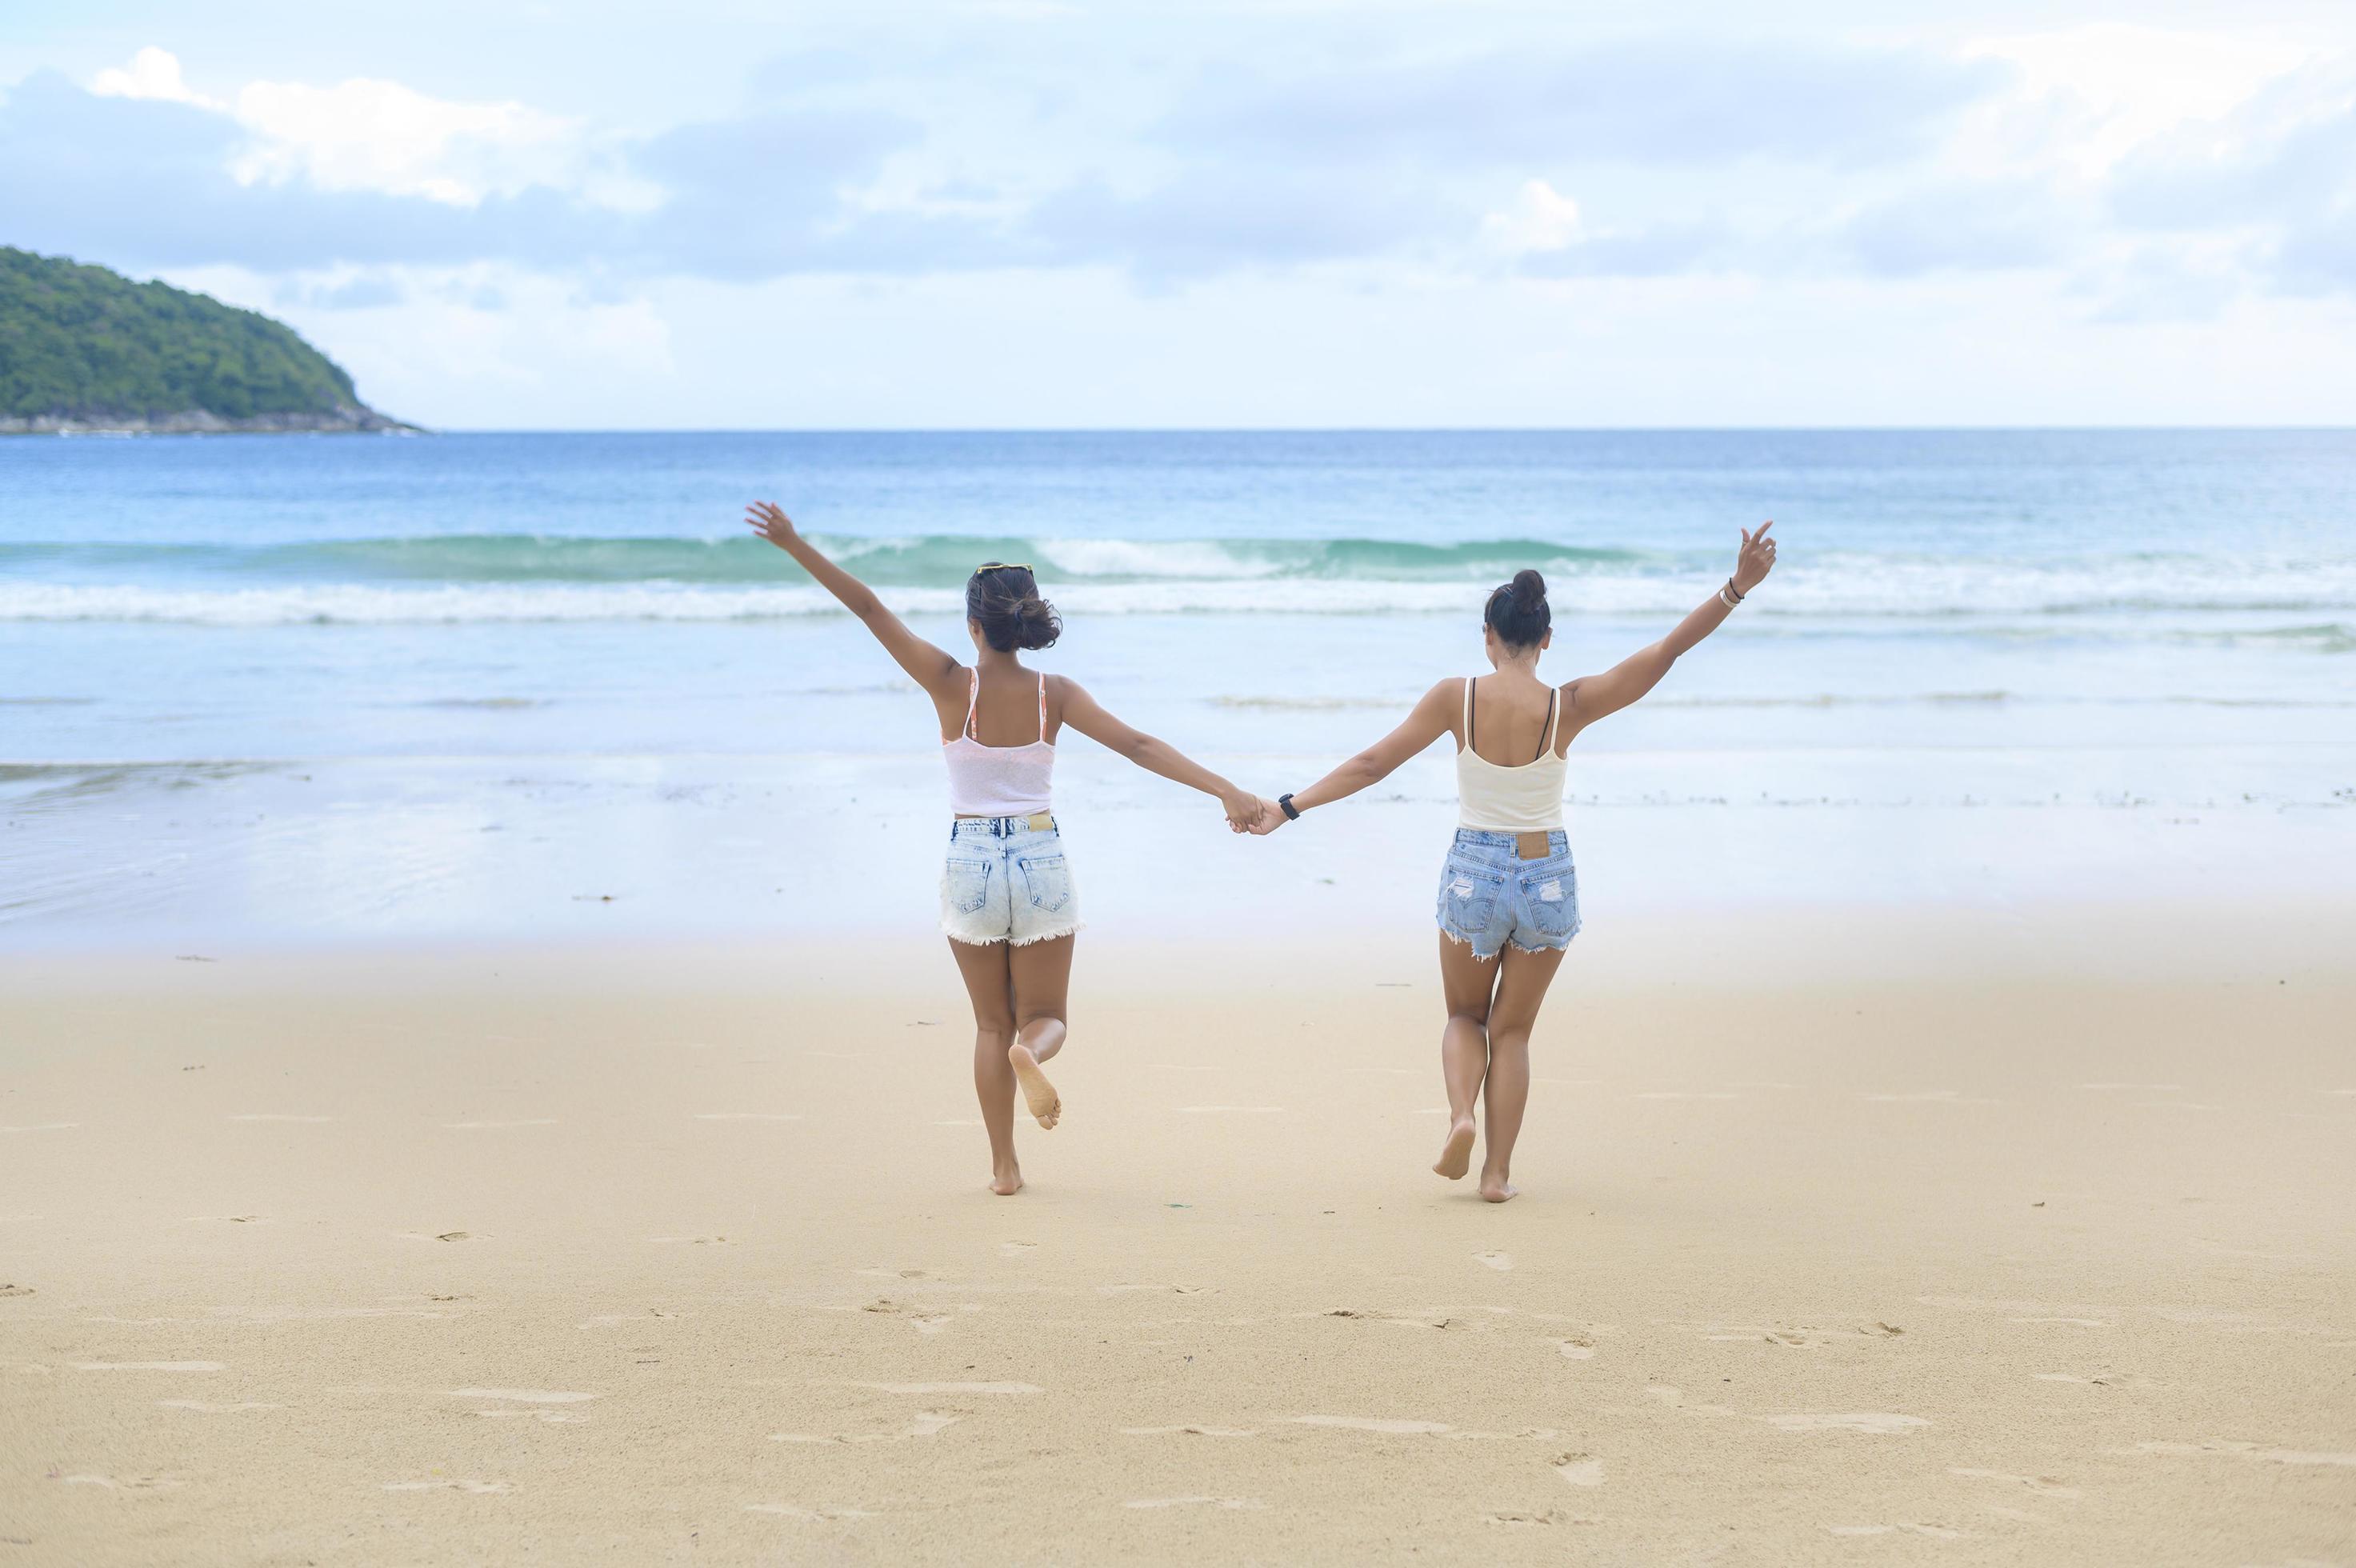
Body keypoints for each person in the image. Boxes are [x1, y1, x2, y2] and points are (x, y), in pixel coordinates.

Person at [1248, 526, 1779, 1202]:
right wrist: (1736, 588)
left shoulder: (1455, 698)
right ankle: (1496, 1176)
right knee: (1515, 1030)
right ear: (1546, 639)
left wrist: (1289, 807)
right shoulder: (1570, 705)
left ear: (1487, 637)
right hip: (1545, 874)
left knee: (1465, 1020)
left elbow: (1371, 764)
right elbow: (1666, 652)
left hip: (1474, 870)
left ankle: (1461, 1115)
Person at [747, 502, 1262, 1196]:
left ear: (972, 626)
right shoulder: (1055, 693)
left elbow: (869, 609)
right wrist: (1223, 789)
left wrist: (792, 543)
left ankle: (1004, 1167)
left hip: (970, 862)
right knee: (1044, 1019)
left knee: (988, 1024)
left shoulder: (949, 682)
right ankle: (1032, 1052)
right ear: (1024, 625)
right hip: (1040, 855)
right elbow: (1138, 746)